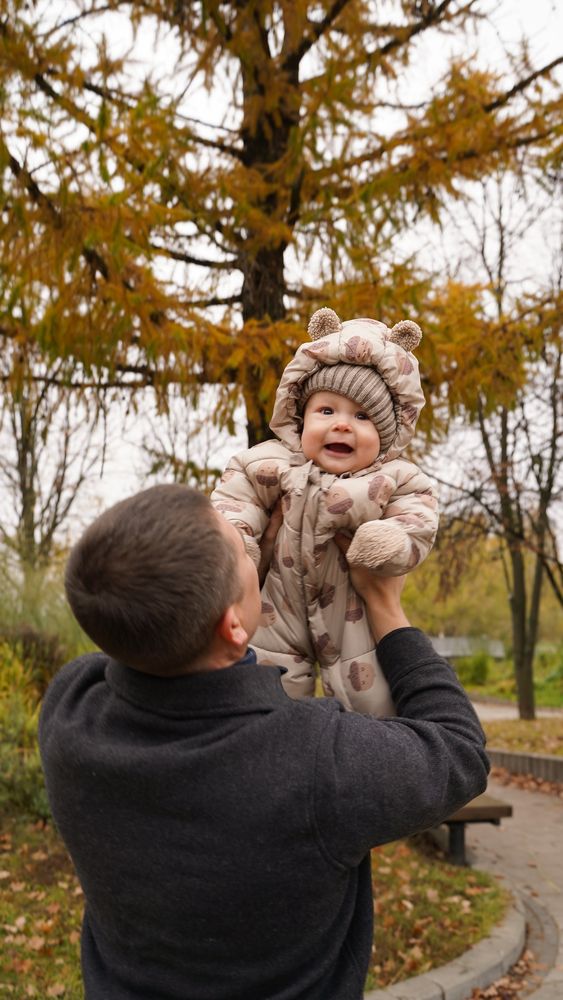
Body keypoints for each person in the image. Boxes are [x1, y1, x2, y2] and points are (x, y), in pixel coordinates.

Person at [39, 484, 488, 1000]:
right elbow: (458, 749)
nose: (251, 546)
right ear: (232, 625)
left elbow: (145, 638)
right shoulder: (317, 762)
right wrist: (386, 608)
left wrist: (247, 574)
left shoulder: (71, 712)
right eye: (240, 548)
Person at [211, 306, 439, 715]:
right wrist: (239, 548)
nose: (342, 425)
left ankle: (369, 758)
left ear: (385, 435)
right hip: (275, 606)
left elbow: (417, 519)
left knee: (372, 699)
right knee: (266, 698)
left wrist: (391, 540)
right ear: (300, 418)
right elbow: (234, 501)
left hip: (354, 610)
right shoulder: (270, 462)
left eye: (363, 416)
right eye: (327, 410)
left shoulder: (395, 477)